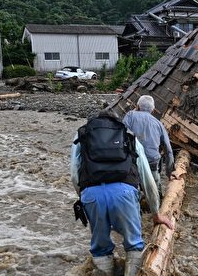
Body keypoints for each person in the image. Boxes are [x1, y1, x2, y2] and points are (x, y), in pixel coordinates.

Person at [70, 109, 173, 276]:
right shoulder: (128, 134)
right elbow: (147, 177)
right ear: (117, 121)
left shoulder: (82, 134)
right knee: (133, 244)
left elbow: (75, 173)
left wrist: (83, 196)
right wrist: (156, 213)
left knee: (100, 248)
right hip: (124, 193)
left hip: (92, 194)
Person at [122, 95, 175, 198]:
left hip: (133, 162)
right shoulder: (159, 124)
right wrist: (169, 172)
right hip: (152, 162)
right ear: (153, 110)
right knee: (156, 194)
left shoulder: (130, 115)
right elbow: (168, 150)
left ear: (137, 106)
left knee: (133, 194)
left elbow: (122, 134)